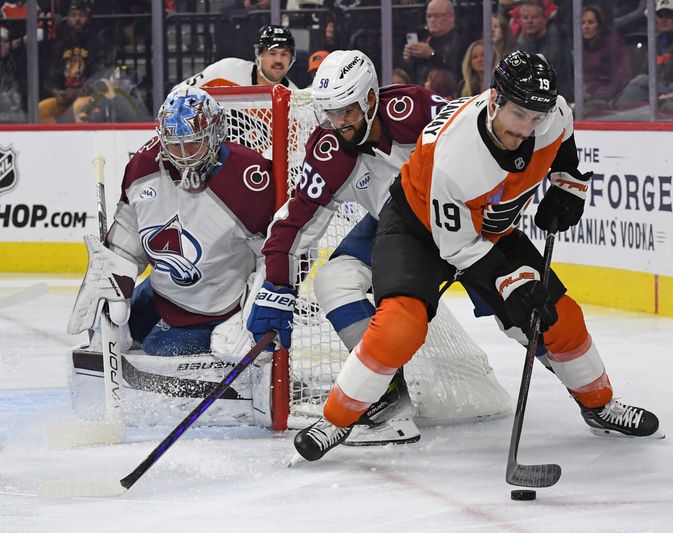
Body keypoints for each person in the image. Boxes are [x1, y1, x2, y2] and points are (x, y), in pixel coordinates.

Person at [290, 51, 662, 463]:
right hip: (415, 226)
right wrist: (513, 286)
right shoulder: (456, 157)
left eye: (534, 118)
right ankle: (336, 420)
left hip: (487, 227)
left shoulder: (549, 112)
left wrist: (567, 184)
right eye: (517, 114)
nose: (525, 129)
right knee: (400, 325)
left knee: (560, 317)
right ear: (494, 100)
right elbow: (459, 250)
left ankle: (600, 405)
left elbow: (564, 133)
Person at [247, 50, 450, 446]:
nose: (339, 123)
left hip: (464, 221)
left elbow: (479, 136)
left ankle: (593, 398)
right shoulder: (330, 149)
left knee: (520, 308)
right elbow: (296, 219)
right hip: (398, 229)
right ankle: (386, 396)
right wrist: (276, 284)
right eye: (330, 112)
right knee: (334, 281)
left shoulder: (415, 108)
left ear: (372, 98)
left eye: (347, 111)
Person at [67, 86, 277, 359]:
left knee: (157, 351)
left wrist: (252, 313)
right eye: (173, 144)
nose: (182, 155)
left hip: (215, 308)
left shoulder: (249, 179)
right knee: (104, 338)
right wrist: (114, 287)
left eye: (193, 143)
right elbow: (129, 233)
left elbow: (276, 254)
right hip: (160, 293)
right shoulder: (143, 166)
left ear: (216, 134)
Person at [613, 0, 673, 109]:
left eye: (669, 15)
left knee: (642, 82)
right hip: (655, 92)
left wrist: (646, 82)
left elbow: (671, 77)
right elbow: (645, 69)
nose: (664, 19)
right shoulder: (656, 40)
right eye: (660, 15)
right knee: (639, 82)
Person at [38, 0, 111, 123]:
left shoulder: (98, 42)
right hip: (65, 97)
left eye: (81, 15)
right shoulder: (59, 44)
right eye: (73, 15)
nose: (77, 19)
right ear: (67, 18)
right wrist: (56, 91)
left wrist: (78, 93)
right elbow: (51, 75)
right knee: (42, 109)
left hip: (90, 98)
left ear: (88, 18)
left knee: (79, 107)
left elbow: (101, 77)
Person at [175, 24, 298, 89]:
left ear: (291, 58)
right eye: (272, 53)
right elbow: (178, 93)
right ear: (258, 54)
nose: (278, 60)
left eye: (284, 54)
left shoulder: (298, 100)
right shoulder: (225, 70)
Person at [516, 0, 573, 100]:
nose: (529, 21)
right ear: (520, 21)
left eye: (535, 17)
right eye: (525, 18)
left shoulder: (558, 46)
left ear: (544, 20)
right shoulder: (516, 46)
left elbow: (560, 81)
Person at [580, 5, 631, 115]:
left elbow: (620, 80)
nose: (585, 27)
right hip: (584, 99)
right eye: (582, 23)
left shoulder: (614, 45)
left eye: (590, 22)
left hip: (610, 100)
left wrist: (593, 94)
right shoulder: (580, 47)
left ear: (599, 25)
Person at [402, 0, 465, 86]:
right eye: (429, 16)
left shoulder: (461, 41)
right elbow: (412, 74)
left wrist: (431, 55)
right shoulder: (423, 39)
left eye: (437, 16)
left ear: (451, 17)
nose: (432, 20)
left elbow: (456, 72)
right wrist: (409, 59)